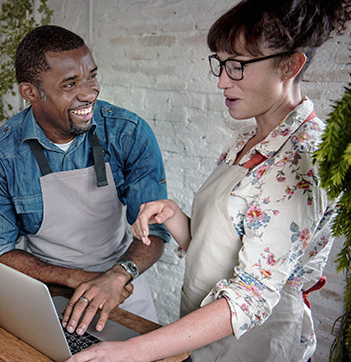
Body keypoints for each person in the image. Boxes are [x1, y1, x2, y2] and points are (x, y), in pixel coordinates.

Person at [68, 0, 350, 361]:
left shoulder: (300, 160)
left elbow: (252, 295)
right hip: (206, 334)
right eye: (220, 63)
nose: (221, 81)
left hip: (257, 345)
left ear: (290, 65)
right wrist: (173, 215)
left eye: (237, 67)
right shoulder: (244, 141)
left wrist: (133, 351)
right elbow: (216, 249)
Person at [0, 25, 171, 335]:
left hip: (123, 289)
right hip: (46, 292)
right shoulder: (1, 154)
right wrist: (73, 277)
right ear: (30, 92)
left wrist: (117, 275)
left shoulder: (128, 132)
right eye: (70, 84)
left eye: (91, 76)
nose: (89, 92)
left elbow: (155, 230)